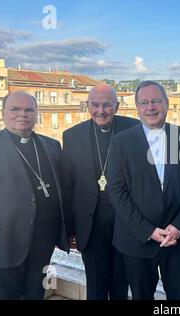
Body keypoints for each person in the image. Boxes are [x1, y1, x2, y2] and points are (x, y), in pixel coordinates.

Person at [107, 80, 180, 300]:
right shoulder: (120, 143)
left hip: (177, 239)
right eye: (144, 102)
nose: (150, 107)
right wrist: (148, 231)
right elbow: (117, 192)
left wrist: (179, 225)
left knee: (179, 297)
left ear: (167, 103)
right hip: (136, 239)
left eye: (155, 101)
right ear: (137, 107)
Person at [62, 84, 139, 300]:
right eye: (95, 105)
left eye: (107, 105)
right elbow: (68, 187)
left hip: (126, 224)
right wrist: (70, 230)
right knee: (95, 285)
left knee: (121, 283)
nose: (101, 110)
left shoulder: (134, 129)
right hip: (91, 224)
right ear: (87, 105)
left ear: (117, 105)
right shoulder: (71, 136)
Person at [0, 92, 69, 299]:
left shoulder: (52, 145)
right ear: (3, 113)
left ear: (36, 114)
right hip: (3, 241)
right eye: (15, 109)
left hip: (44, 240)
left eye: (29, 110)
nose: (22, 114)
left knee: (36, 292)